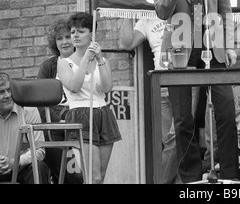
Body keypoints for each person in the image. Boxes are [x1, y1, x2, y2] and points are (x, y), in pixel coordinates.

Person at [152, 0, 239, 183]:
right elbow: (162, 11)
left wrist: (230, 44)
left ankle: (230, 177)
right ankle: (190, 179)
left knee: (225, 111)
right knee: (183, 120)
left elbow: (225, 8)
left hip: (213, 47)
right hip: (180, 50)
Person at [57, 12, 121, 184]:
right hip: (80, 114)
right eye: (73, 32)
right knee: (92, 177)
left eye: (81, 31)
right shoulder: (64, 62)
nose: (75, 36)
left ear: (92, 34)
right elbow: (73, 86)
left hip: (103, 113)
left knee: (100, 176)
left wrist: (99, 58)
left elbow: (107, 88)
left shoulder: (103, 61)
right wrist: (86, 58)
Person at [118, 17, 178, 184]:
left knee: (179, 137)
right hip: (161, 84)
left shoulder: (182, 6)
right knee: (170, 141)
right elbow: (126, 44)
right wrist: (127, 11)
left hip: (184, 80)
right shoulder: (146, 19)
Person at [37, 18, 82, 184]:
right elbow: (40, 101)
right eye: (59, 38)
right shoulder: (48, 67)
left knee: (80, 176)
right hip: (55, 127)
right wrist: (59, 120)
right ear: (54, 43)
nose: (64, 42)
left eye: (67, 36)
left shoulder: (84, 63)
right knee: (62, 176)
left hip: (80, 124)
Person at [0, 72, 51, 184]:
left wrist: (16, 162)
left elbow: (39, 150)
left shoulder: (29, 110)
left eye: (9, 90)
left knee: (39, 168)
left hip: (21, 168)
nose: (8, 95)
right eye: (1, 92)